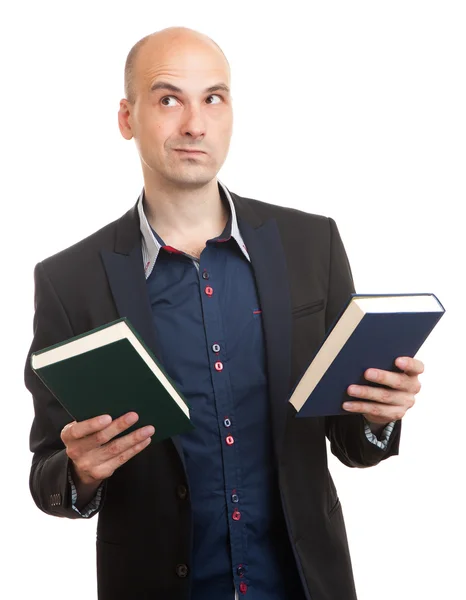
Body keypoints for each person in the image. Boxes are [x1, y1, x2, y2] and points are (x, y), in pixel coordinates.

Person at [24, 26, 424, 600]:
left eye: (213, 98)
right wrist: (82, 472)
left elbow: (353, 444)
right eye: (168, 99)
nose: (194, 124)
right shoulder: (68, 282)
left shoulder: (313, 245)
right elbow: (48, 474)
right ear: (126, 117)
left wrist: (379, 417)